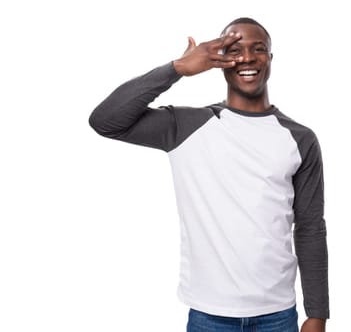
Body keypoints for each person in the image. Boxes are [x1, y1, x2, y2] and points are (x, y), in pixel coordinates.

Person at [89, 17, 329, 332]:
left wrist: (317, 313)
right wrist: (177, 68)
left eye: (258, 49)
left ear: (270, 58)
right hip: (209, 316)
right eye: (234, 50)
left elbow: (310, 228)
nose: (246, 58)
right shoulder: (186, 126)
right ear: (220, 61)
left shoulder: (299, 138)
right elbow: (106, 121)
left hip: (278, 314)